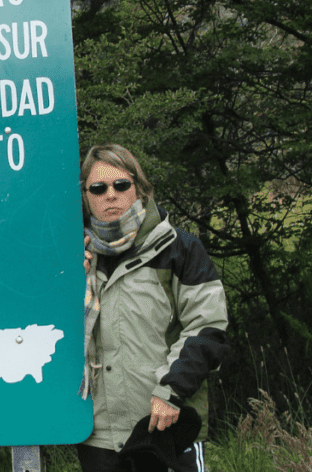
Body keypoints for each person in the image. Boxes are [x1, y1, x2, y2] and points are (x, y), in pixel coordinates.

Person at [78, 144, 229, 472]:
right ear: (86, 196)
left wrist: (171, 391)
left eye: (121, 185)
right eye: (98, 188)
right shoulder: (73, 257)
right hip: (98, 435)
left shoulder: (180, 249)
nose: (111, 195)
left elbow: (208, 327)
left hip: (164, 426)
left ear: (139, 188)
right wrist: (66, 282)